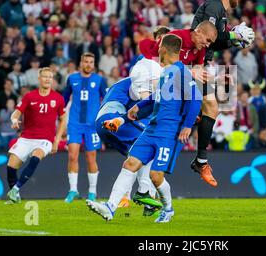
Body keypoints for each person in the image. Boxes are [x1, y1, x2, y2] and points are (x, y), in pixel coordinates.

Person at [86, 33, 202, 223]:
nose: (157, 50)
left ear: (164, 49)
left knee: (156, 176)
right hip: (151, 130)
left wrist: (187, 126)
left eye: (159, 47)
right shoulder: (165, 72)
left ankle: (168, 209)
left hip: (167, 133)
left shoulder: (181, 71)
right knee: (130, 164)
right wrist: (136, 108)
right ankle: (110, 208)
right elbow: (155, 96)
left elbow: (195, 98)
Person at [190, 0, 255, 187]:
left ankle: (200, 159)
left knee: (209, 107)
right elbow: (206, 36)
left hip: (200, 64)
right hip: (192, 65)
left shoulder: (220, 11)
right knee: (209, 106)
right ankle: (200, 159)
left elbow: (213, 42)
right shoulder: (214, 5)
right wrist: (234, 35)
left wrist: (234, 39)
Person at [6, 67, 66, 203]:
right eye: (45, 76)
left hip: (45, 139)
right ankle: (14, 196)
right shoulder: (29, 96)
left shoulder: (58, 98)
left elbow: (63, 119)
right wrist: (14, 120)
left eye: (50, 77)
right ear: (39, 79)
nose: (47, 79)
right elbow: (16, 112)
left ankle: (16, 189)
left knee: (36, 157)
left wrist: (56, 141)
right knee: (11, 166)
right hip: (27, 137)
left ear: (53, 80)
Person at [62, 52, 107, 203]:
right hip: (75, 123)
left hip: (92, 126)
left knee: (90, 157)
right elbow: (64, 98)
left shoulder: (99, 80)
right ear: (81, 63)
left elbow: (106, 100)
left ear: (93, 64)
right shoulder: (72, 78)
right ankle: (73, 190)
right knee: (72, 156)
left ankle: (92, 192)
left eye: (91, 62)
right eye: (86, 61)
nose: (88, 64)